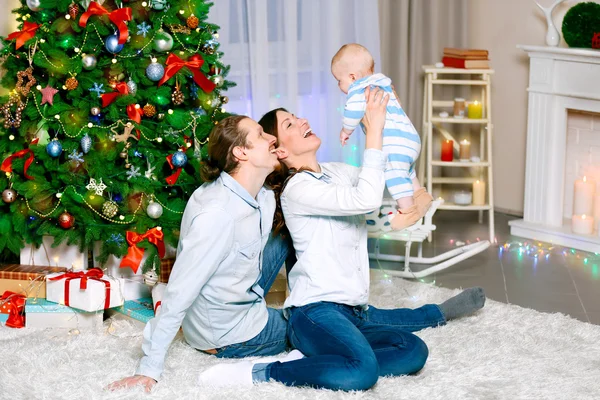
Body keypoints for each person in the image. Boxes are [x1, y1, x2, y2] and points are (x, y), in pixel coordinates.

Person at [199, 87, 485, 391]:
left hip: (353, 311)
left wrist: (388, 126)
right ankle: (268, 372)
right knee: (362, 372)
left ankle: (325, 359)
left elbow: (383, 172)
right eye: (290, 125)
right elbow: (367, 198)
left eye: (296, 117)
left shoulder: (336, 173)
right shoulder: (298, 189)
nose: (302, 121)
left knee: (414, 351)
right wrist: (373, 133)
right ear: (281, 151)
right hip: (314, 313)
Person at [107, 115, 302, 393]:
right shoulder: (216, 215)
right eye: (261, 135)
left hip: (245, 291)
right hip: (227, 335)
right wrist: (149, 367)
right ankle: (308, 315)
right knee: (317, 327)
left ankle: (307, 302)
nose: (272, 138)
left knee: (290, 232)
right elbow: (179, 292)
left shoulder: (259, 193)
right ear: (240, 152)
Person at [332, 43, 433, 230]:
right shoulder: (384, 83)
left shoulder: (358, 89)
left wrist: (346, 131)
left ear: (353, 77)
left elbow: (352, 112)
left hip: (394, 144)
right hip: (410, 138)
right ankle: (420, 195)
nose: (339, 85)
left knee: (394, 174)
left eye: (339, 80)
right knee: (407, 170)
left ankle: (408, 210)